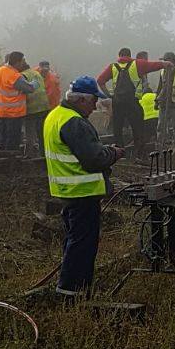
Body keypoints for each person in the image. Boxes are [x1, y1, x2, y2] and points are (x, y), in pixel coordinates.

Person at [44, 76, 126, 297]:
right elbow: (94, 159)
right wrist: (113, 153)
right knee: (83, 243)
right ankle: (72, 291)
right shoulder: (75, 122)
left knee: (75, 240)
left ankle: (71, 287)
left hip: (66, 191)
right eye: (93, 101)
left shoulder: (55, 116)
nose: (95, 106)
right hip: (82, 192)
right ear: (81, 100)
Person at [99, 48, 170, 160]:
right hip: (132, 102)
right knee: (138, 128)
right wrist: (164, 64)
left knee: (117, 130)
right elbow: (152, 65)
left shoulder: (112, 67)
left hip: (117, 103)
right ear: (129, 55)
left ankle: (120, 155)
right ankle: (140, 154)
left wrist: (109, 95)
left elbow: (100, 80)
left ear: (119, 55)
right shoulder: (136, 64)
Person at [0, 51, 34, 151]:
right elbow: (29, 88)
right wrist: (34, 84)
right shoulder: (14, 76)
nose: (24, 63)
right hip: (13, 113)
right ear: (17, 62)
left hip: (1, 111)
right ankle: (11, 160)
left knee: (3, 137)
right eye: (23, 61)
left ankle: (2, 157)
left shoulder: (0, 70)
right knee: (13, 139)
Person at [21, 60, 49, 155]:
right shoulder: (36, 73)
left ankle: (29, 154)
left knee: (30, 132)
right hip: (44, 105)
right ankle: (44, 152)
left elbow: (24, 90)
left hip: (32, 107)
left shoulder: (22, 75)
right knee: (41, 131)